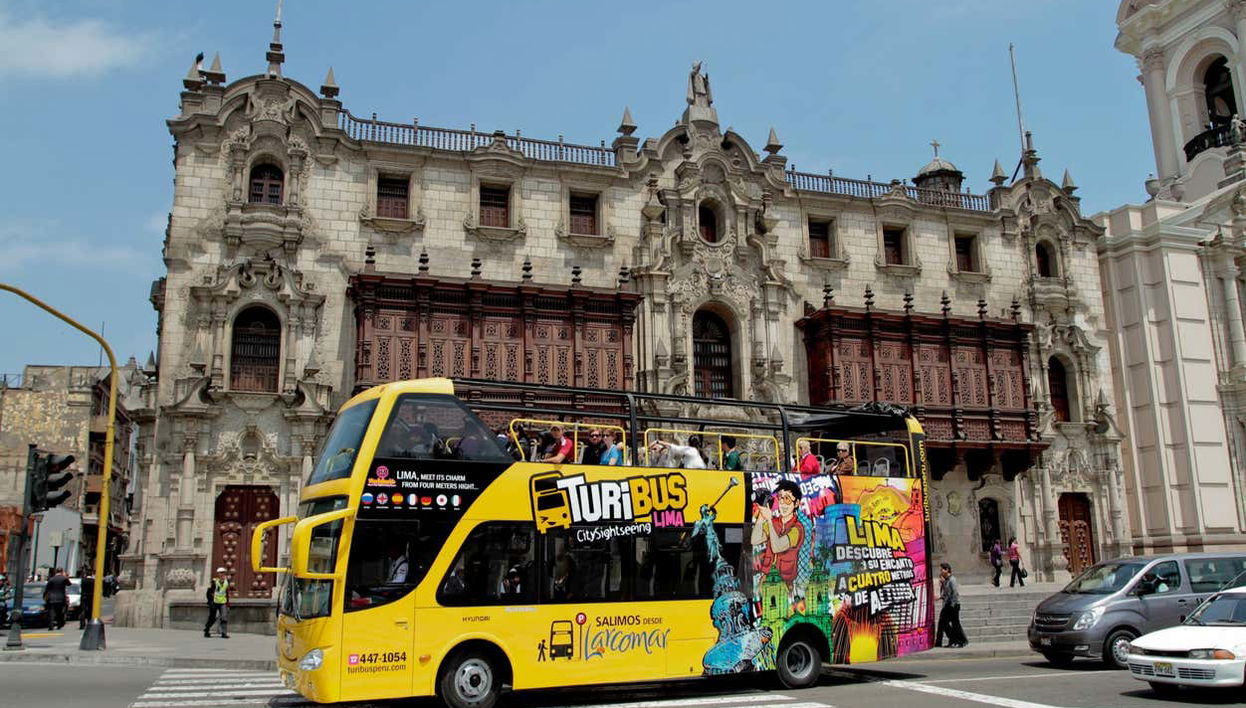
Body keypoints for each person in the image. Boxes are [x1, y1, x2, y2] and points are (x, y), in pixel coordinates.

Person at [935, 563, 968, 648]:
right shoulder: (946, 580)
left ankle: (959, 641)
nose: (941, 571)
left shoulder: (952, 580)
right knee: (946, 623)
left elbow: (954, 593)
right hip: (948, 604)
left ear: (947, 570)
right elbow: (946, 594)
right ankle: (955, 640)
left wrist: (952, 605)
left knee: (954, 624)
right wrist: (942, 585)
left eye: (942, 569)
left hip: (953, 605)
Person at [204, 567, 230, 638]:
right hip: (214, 602)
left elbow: (226, 593)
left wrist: (228, 603)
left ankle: (224, 633)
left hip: (223, 602)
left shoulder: (226, 582)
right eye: (220, 573)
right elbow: (209, 593)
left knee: (224, 617)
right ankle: (207, 629)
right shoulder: (214, 582)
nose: (222, 574)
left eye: (223, 573)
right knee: (212, 618)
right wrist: (210, 601)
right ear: (218, 574)